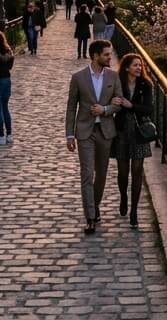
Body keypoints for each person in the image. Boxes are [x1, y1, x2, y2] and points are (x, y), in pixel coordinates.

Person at [65, 39, 124, 235]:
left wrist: (105, 109)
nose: (110, 57)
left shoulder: (113, 77)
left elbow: (118, 103)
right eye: (106, 54)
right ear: (96, 56)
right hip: (85, 132)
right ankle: (90, 216)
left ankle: (95, 205)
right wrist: (69, 134)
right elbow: (71, 107)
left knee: (101, 175)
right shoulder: (78, 78)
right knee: (87, 174)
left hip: (105, 131)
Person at [114, 52, 154, 228]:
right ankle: (123, 197)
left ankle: (134, 212)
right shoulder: (118, 83)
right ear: (127, 67)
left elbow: (149, 109)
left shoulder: (146, 85)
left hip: (138, 132)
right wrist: (114, 102)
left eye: (140, 65)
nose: (139, 68)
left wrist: (132, 106)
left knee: (137, 171)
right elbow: (110, 102)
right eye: (135, 65)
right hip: (122, 130)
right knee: (123, 172)